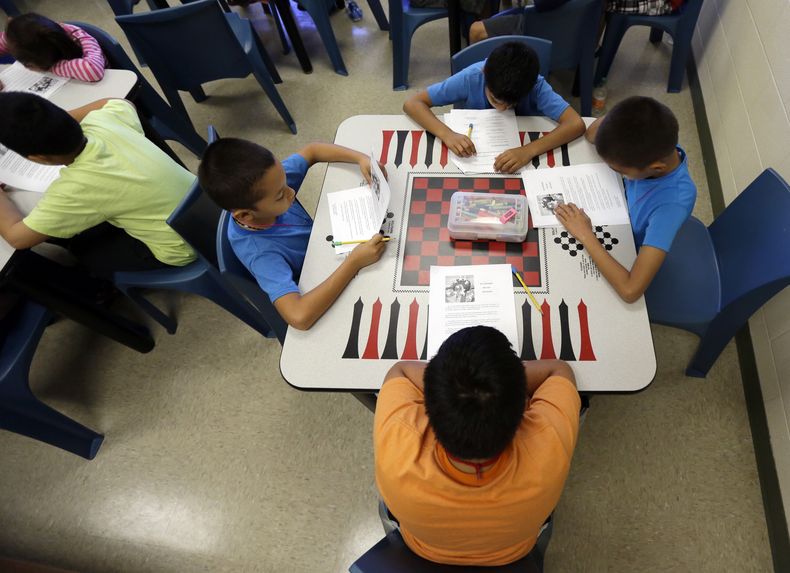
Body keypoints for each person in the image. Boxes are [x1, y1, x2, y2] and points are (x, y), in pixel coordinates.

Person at [374, 326, 580, 566]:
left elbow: (399, 370)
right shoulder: (547, 445)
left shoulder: (397, 448)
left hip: (424, 549)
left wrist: (445, 384)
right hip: (512, 552)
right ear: (525, 406)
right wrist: (506, 380)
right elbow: (559, 369)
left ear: (428, 405)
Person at [198, 139, 387, 331]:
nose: (291, 191)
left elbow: (313, 149)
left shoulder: (270, 182)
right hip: (322, 274)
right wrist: (353, 262)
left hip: (327, 244)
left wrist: (361, 158)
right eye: (280, 195)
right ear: (246, 215)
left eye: (285, 181)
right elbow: (299, 317)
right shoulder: (260, 253)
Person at [0, 93, 196, 275]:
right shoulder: (103, 120)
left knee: (83, 251)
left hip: (183, 248)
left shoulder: (75, 189)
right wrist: (52, 125)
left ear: (39, 158)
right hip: (210, 209)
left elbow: (18, 238)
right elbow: (121, 102)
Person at [554, 96, 696, 303]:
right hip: (616, 212)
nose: (617, 171)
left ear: (656, 168)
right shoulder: (655, 139)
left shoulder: (671, 205)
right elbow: (590, 134)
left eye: (619, 170)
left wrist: (585, 234)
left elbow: (630, 290)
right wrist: (622, 116)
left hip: (628, 247)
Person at [403, 41, 585, 174]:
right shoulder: (471, 77)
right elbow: (412, 104)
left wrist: (528, 150)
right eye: (495, 99)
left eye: (511, 104)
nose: (502, 108)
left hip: (522, 147)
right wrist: (447, 134)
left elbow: (575, 123)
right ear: (484, 74)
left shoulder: (536, 86)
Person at [0, 13, 107, 84]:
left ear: (31, 65)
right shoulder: (22, 37)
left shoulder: (78, 39)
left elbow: (93, 71)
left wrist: (51, 68)